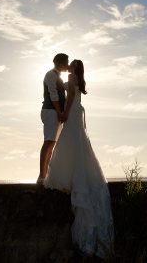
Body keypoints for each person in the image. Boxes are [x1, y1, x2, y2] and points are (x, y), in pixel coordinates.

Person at [44, 59, 114, 257]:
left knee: (70, 142)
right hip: (75, 112)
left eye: (72, 63)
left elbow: (71, 95)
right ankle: (74, 175)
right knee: (75, 143)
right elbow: (72, 93)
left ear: (74, 67)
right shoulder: (76, 78)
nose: (70, 65)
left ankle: (70, 176)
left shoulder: (72, 77)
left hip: (72, 112)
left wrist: (64, 113)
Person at [37, 53, 69, 184]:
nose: (67, 65)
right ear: (61, 64)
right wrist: (59, 112)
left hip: (54, 111)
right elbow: (53, 95)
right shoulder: (51, 75)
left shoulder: (58, 76)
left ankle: (46, 174)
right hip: (50, 111)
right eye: (66, 63)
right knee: (48, 142)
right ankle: (42, 175)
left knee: (51, 142)